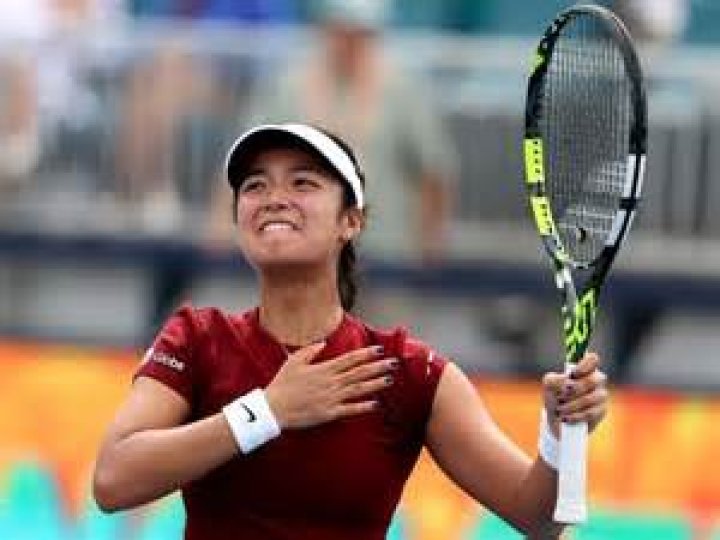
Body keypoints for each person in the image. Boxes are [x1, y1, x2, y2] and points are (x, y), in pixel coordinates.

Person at [93, 123, 608, 539]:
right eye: (255, 185)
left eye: (303, 183)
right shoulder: (196, 339)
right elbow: (113, 480)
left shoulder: (410, 372)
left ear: (351, 222)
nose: (274, 197)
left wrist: (561, 433)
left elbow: (539, 519)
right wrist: (268, 411)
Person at [233, 0, 457, 262]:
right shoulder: (288, 88)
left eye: (358, 34)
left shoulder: (403, 91)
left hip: (385, 252)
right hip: (301, 251)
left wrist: (431, 242)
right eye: (341, 32)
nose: (348, 44)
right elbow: (245, 159)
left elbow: (435, 170)